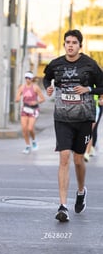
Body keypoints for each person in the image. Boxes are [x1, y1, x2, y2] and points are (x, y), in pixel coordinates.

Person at [43, 29, 103, 222]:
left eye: (74, 42)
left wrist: (89, 89)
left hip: (84, 118)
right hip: (62, 118)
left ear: (80, 45)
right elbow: (46, 77)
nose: (70, 45)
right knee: (64, 158)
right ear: (64, 44)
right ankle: (63, 206)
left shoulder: (89, 65)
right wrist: (48, 87)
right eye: (67, 42)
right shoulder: (56, 64)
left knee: (78, 160)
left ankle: (80, 190)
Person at [15, 71, 45, 154]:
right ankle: (27, 146)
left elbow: (43, 99)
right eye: (26, 78)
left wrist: (36, 102)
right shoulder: (22, 87)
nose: (27, 80)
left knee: (30, 128)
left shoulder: (35, 87)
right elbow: (17, 96)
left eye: (29, 78)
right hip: (25, 109)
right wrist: (17, 99)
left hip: (34, 109)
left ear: (32, 79)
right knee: (24, 129)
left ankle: (34, 140)